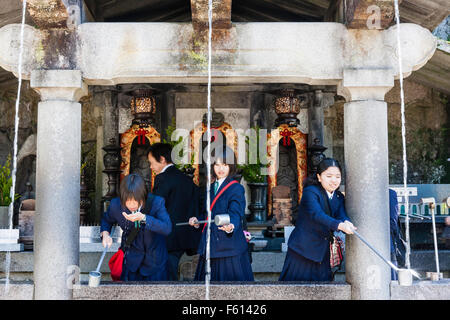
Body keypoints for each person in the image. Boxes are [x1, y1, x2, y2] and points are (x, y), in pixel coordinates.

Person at [279, 158, 356, 281]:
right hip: (303, 250)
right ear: (319, 177)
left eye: (337, 176)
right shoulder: (311, 192)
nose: (334, 180)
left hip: (322, 251)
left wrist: (346, 221)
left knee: (323, 289)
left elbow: (342, 214)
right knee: (294, 289)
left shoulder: (338, 196)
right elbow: (316, 214)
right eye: (329, 176)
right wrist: (340, 226)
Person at [189, 146, 254, 281]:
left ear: (231, 166)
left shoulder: (236, 188)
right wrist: (197, 221)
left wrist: (231, 226)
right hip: (211, 244)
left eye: (224, 165)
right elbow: (207, 215)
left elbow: (236, 213)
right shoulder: (211, 187)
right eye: (217, 165)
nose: (220, 169)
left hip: (228, 247)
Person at [100, 173, 172, 281]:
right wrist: (105, 235)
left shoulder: (156, 203)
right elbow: (106, 220)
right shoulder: (116, 205)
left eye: (136, 201)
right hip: (131, 263)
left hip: (155, 263)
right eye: (128, 201)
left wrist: (144, 218)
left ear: (143, 196)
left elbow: (167, 228)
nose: (132, 205)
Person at [147, 142, 202, 281]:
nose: (151, 167)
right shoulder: (185, 179)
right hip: (184, 235)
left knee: (166, 278)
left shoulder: (162, 179)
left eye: (152, 162)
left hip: (167, 237)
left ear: (162, 159)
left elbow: (155, 208)